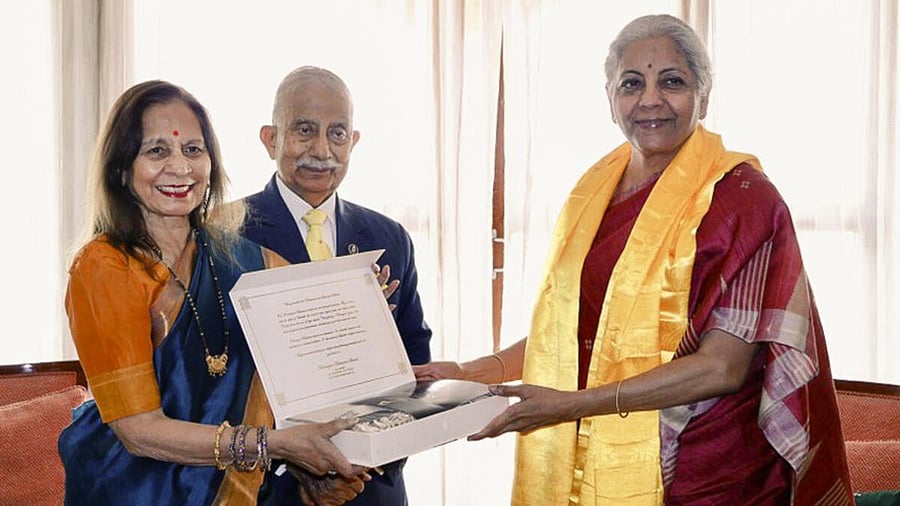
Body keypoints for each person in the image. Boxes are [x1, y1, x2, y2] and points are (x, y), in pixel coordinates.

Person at [414, 14, 853, 505]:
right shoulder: (593, 192)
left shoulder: (744, 200)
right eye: (631, 83)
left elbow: (721, 369)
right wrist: (474, 372)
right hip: (598, 448)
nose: (650, 100)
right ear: (610, 100)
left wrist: (574, 406)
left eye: (672, 81)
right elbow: (578, 331)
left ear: (703, 98)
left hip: (710, 471)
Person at [59, 80, 380, 505]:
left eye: (194, 150)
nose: (180, 167)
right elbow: (138, 432)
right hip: (131, 490)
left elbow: (295, 386)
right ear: (121, 168)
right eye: (157, 151)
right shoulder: (105, 267)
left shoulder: (249, 261)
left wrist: (311, 474)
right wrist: (277, 446)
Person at [243, 66, 432, 505]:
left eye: (338, 134)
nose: (322, 150)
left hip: (372, 485)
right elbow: (212, 386)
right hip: (270, 490)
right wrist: (296, 471)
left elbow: (414, 362)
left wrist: (372, 460)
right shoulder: (225, 236)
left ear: (355, 141)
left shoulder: (388, 238)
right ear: (271, 139)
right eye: (305, 131)